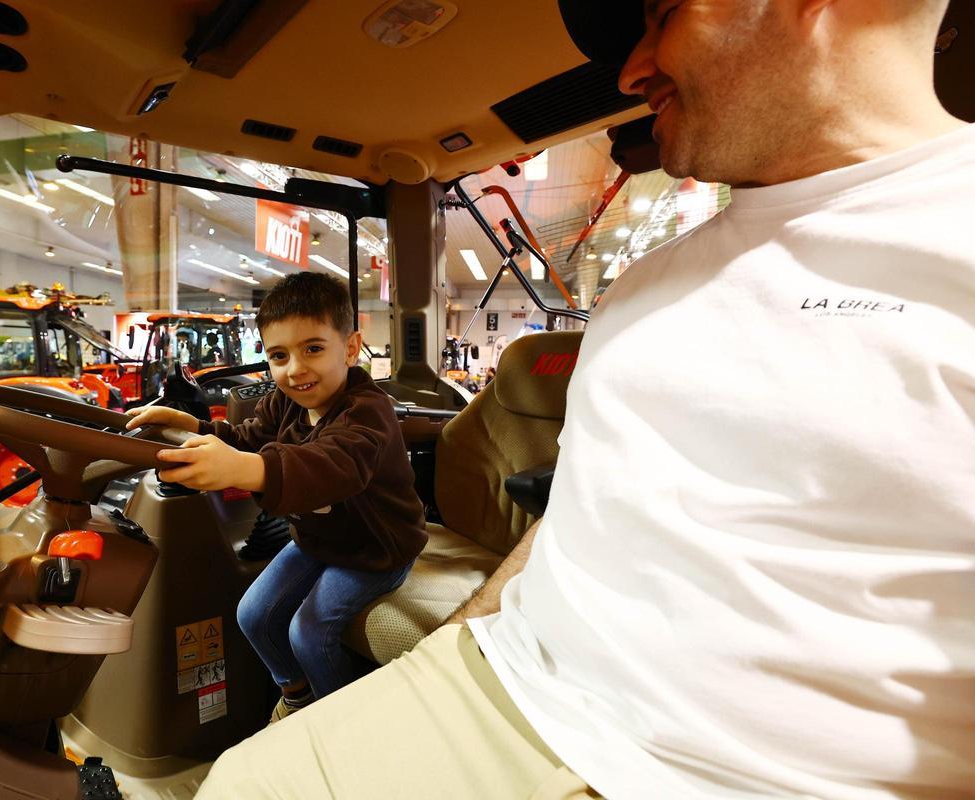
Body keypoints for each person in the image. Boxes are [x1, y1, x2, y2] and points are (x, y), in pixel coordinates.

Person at [198, 0, 974, 798]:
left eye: (668, 13)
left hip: (758, 776)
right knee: (233, 783)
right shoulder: (647, 286)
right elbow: (574, 512)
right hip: (510, 686)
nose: (632, 72)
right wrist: (462, 649)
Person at [126, 272, 426, 721]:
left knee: (308, 631)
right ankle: (298, 694)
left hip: (375, 550)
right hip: (319, 540)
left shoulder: (368, 414)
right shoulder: (285, 403)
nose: (295, 369)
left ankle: (335, 717)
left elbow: (334, 465)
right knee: (252, 614)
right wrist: (196, 428)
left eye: (313, 349)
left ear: (349, 347)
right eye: (279, 356)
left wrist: (247, 469)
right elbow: (246, 438)